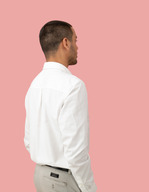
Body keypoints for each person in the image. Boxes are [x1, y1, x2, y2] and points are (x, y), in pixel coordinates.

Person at [24, 20, 97, 192]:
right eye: (76, 40)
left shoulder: (34, 84)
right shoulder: (73, 86)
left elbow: (29, 140)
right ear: (65, 42)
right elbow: (76, 152)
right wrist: (89, 188)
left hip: (40, 176)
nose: (77, 47)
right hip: (62, 180)